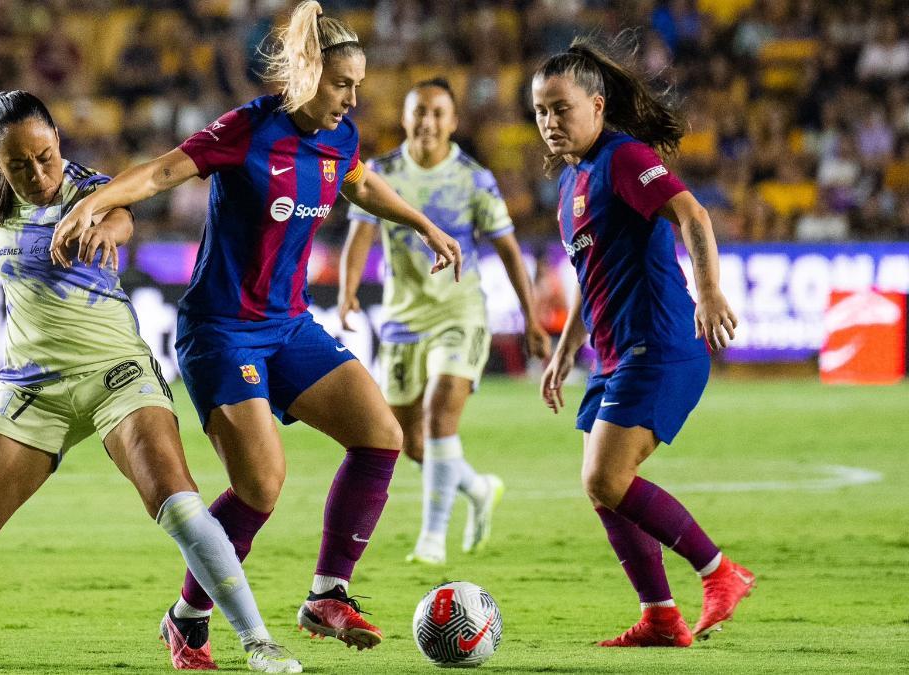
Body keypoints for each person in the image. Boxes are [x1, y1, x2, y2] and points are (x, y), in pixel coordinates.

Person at [50, 1, 461, 663]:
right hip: (221, 333)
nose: (351, 98)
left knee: (382, 434)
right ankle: (190, 616)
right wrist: (97, 201)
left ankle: (327, 592)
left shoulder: (340, 138)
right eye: (340, 84)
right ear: (306, 74)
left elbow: (361, 185)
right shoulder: (247, 129)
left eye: (357, 85)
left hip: (289, 325)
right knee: (262, 486)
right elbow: (160, 172)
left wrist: (422, 223)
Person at [0, 91, 301, 674]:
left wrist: (105, 227)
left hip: (117, 374)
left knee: (180, 502)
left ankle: (256, 640)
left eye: (45, 156)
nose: (37, 174)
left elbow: (121, 215)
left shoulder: (90, 190)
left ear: (59, 142)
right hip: (32, 388)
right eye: (19, 164)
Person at [531, 38, 756, 647]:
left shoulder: (623, 158)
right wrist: (563, 350)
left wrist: (708, 292)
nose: (550, 122)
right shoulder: (573, 184)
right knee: (606, 490)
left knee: (606, 480)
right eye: (540, 112)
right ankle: (660, 616)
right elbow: (590, 275)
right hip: (614, 354)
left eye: (561, 108)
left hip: (657, 345)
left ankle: (720, 573)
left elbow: (694, 215)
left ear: (597, 105)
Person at [338, 77, 552, 566]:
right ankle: (476, 489)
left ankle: (432, 539)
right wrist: (349, 292)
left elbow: (510, 252)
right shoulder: (381, 171)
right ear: (405, 117)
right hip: (401, 321)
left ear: (453, 122)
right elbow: (361, 236)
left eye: (438, 113)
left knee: (439, 413)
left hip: (461, 313)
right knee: (411, 441)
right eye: (419, 111)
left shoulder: (474, 179)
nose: (427, 121)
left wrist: (532, 319)